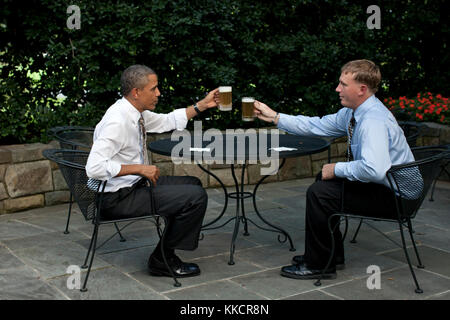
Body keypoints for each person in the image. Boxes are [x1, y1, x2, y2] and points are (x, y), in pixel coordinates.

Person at [253, 59, 415, 280]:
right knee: (324, 182)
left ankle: (320, 265)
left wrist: (336, 168)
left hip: (396, 196)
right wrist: (275, 117)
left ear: (362, 89)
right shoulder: (353, 113)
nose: (337, 89)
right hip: (386, 184)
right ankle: (330, 255)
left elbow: (374, 169)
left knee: (320, 194)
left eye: (343, 84)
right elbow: (316, 125)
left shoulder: (372, 121)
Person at [86, 64, 219, 278]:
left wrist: (202, 105)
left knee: (193, 184)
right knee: (195, 197)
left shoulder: (134, 112)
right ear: (136, 92)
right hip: (115, 199)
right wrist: (139, 168)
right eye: (154, 88)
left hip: (131, 188)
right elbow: (94, 167)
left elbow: (167, 121)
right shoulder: (117, 121)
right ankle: (162, 260)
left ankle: (171, 238)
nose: (158, 93)